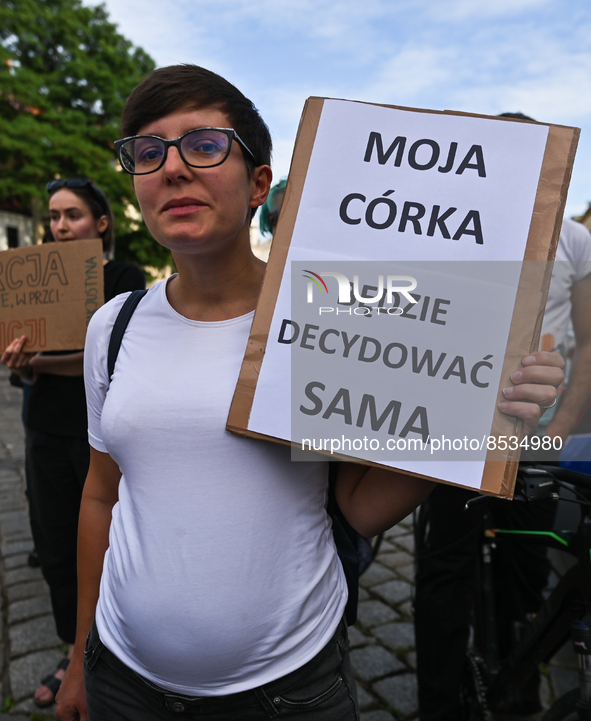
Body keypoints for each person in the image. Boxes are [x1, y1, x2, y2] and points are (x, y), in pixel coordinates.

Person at [53, 66, 564, 721]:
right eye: (148, 153)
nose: (172, 169)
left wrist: (486, 419)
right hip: (122, 679)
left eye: (204, 145)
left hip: (286, 693)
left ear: (258, 182)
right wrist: (78, 655)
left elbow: (356, 506)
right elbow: (101, 493)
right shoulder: (113, 326)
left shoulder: (328, 316)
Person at [414, 117, 591, 721]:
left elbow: (587, 341)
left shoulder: (573, 238)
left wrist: (562, 425)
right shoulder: (448, 231)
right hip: (454, 431)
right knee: (443, 573)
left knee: (528, 567)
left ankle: (520, 692)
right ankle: (439, 705)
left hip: (534, 437)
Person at [0, 177, 145, 707]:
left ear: (100, 223)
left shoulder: (125, 280)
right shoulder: (27, 281)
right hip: (44, 426)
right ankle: (73, 647)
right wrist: (25, 364)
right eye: (55, 217)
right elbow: (28, 370)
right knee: (56, 541)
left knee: (105, 538)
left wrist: (40, 362)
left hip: (99, 433)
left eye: (74, 215)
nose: (61, 226)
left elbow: (110, 358)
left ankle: (111, 640)